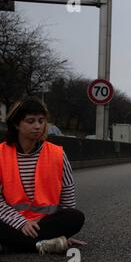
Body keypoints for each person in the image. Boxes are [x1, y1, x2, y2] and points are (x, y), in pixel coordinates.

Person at [0, 97, 85, 254]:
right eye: (30, 121)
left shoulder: (57, 153)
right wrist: (21, 223)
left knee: (75, 217)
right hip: (11, 221)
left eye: (41, 121)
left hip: (44, 222)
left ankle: (12, 244)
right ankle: (42, 244)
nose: (38, 126)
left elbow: (68, 199)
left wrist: (63, 230)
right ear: (16, 124)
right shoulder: (1, 153)